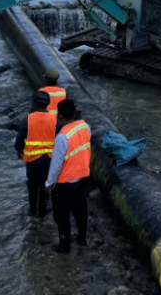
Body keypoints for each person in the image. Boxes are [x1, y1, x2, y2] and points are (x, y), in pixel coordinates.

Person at [46, 99, 91, 254]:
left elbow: (56, 165)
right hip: (82, 179)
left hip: (65, 184)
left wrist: (49, 183)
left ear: (60, 116)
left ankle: (64, 247)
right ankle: (82, 239)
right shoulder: (86, 127)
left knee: (62, 217)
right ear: (74, 113)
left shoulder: (62, 137)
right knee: (81, 212)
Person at [14, 91, 55, 217]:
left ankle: (32, 209)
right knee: (45, 184)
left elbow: (20, 140)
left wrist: (19, 150)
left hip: (32, 159)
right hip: (49, 159)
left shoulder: (28, 119)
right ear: (48, 104)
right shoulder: (55, 119)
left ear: (35, 103)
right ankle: (42, 211)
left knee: (32, 183)